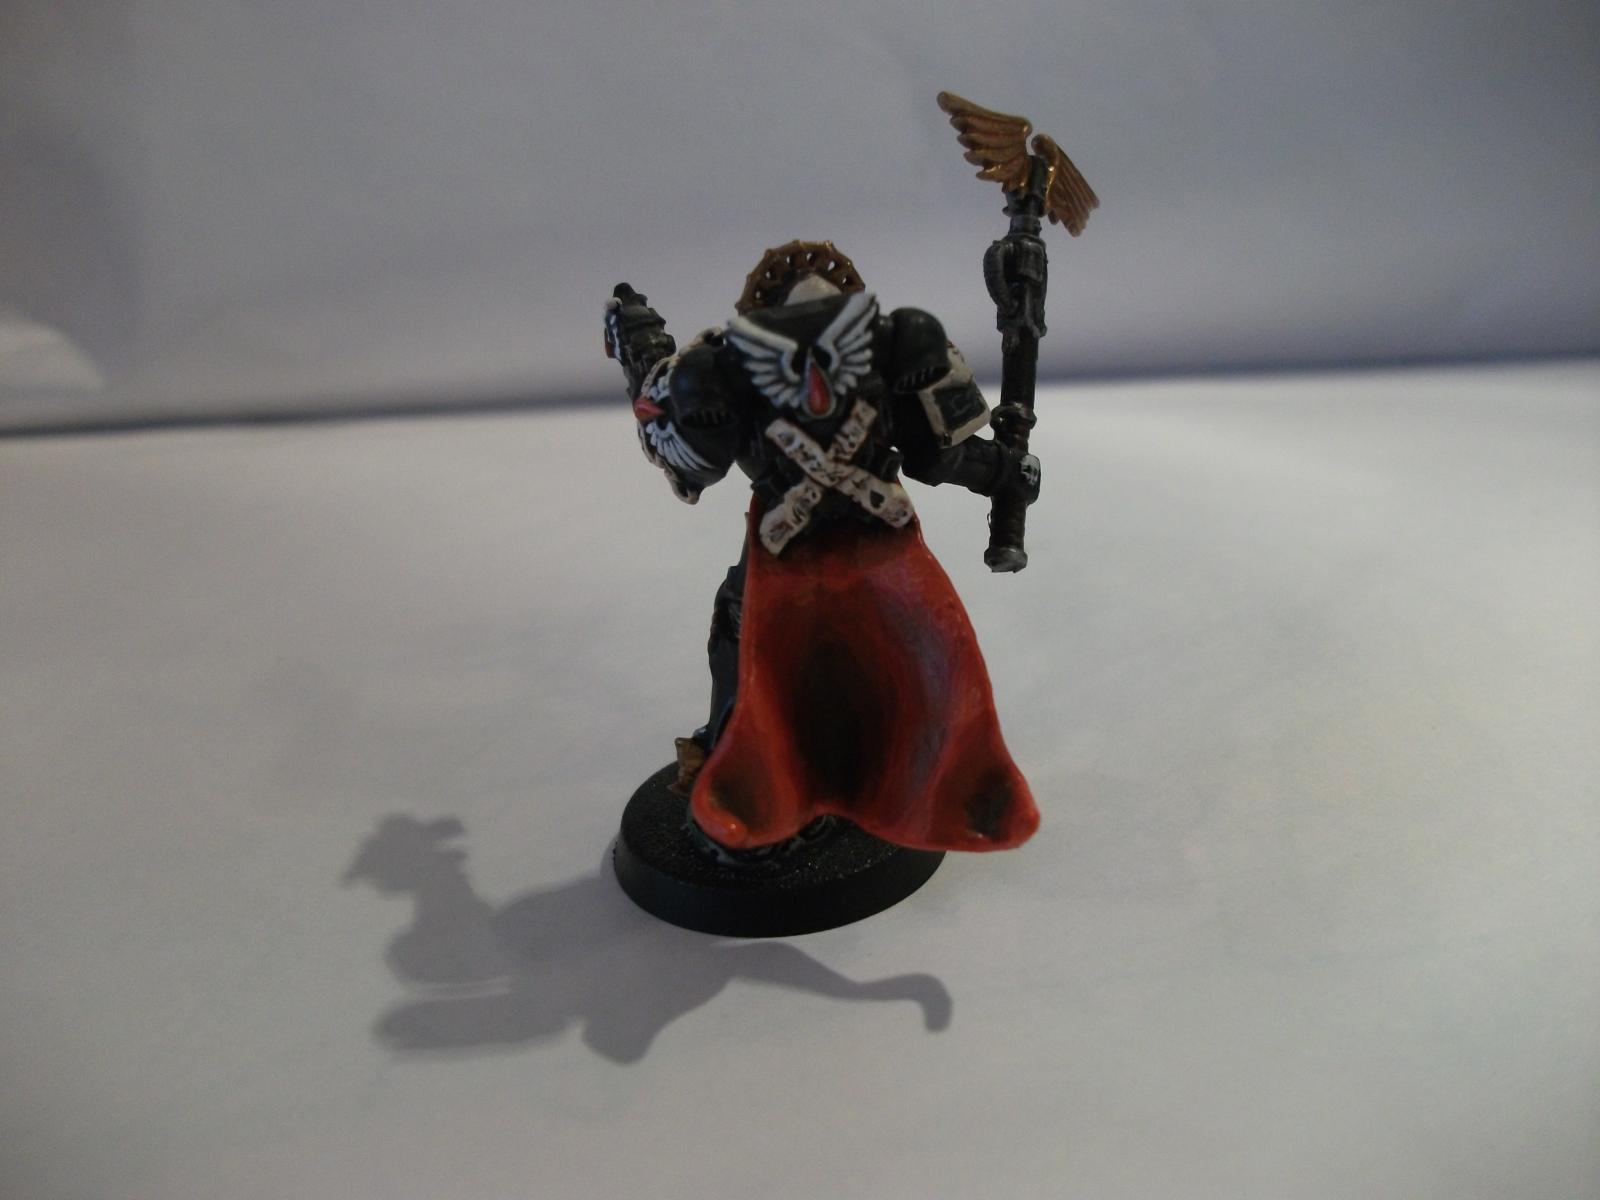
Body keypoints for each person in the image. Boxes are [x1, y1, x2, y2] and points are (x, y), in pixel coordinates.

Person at [605, 240, 1040, 854]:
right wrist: (1005, 472)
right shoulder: (870, 348)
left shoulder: (887, 348)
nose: (814, 386)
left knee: (864, 661)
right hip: (823, 553)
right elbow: (941, 456)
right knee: (763, 644)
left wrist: (1002, 471)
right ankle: (754, 785)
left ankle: (840, 782)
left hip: (856, 554)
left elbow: (695, 461)